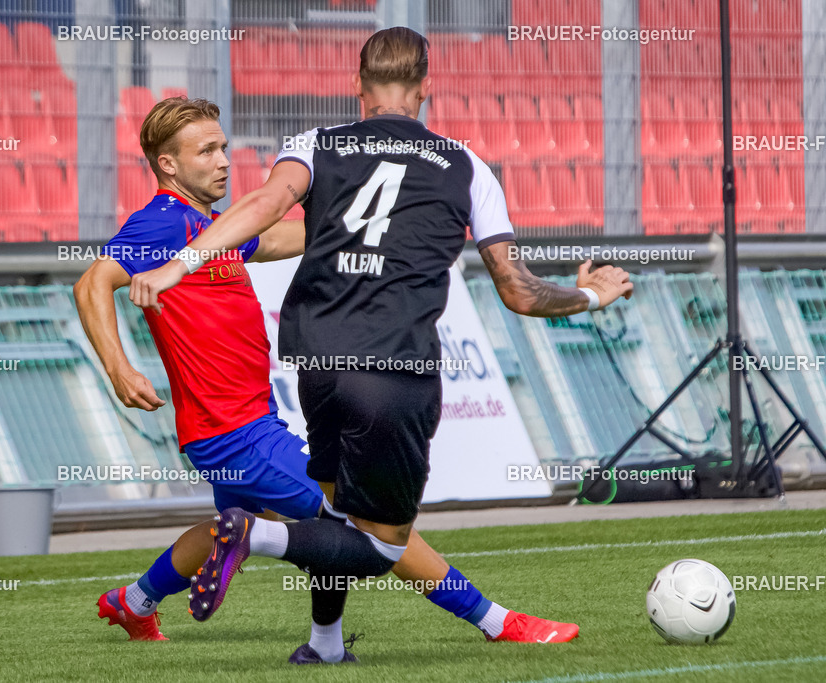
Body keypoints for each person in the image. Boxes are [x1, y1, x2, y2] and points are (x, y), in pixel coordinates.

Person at [127, 28, 633, 664]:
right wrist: (589, 296)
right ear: (426, 87)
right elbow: (520, 292)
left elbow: (261, 204)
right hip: (393, 367)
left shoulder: (313, 145)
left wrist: (179, 265)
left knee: (337, 518)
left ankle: (325, 645)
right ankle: (257, 538)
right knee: (385, 545)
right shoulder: (468, 166)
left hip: (317, 363)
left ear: (358, 86)